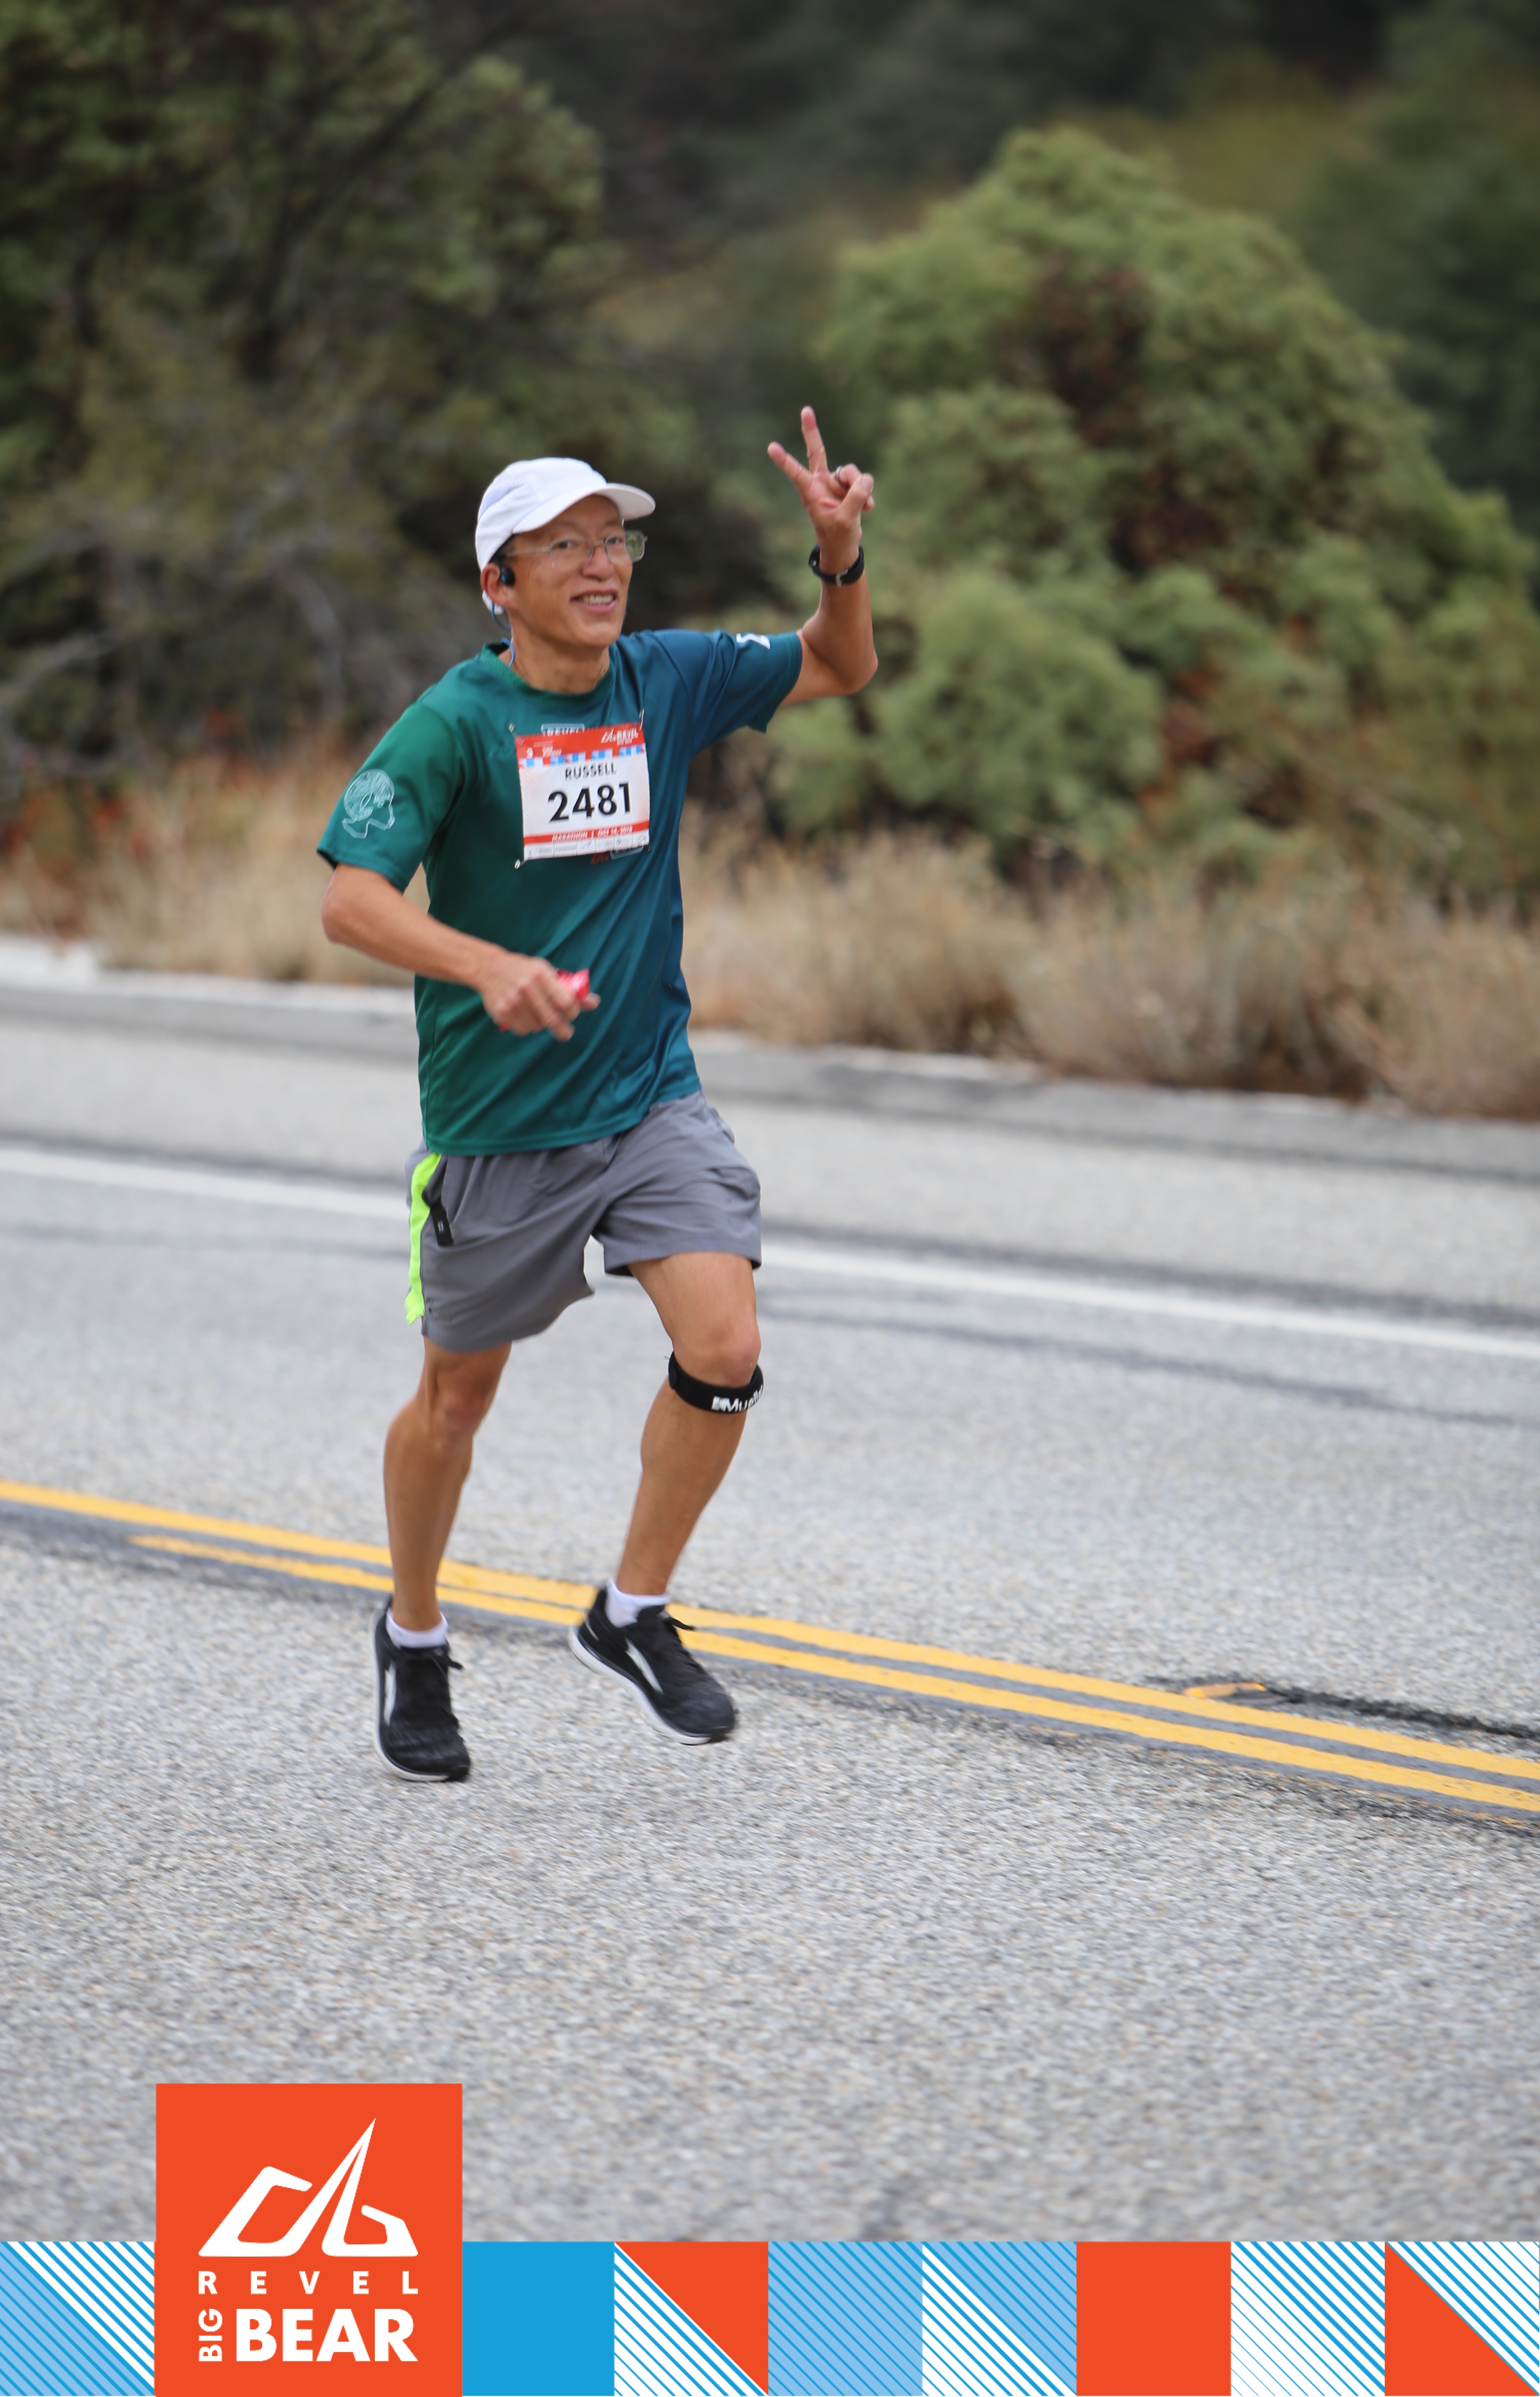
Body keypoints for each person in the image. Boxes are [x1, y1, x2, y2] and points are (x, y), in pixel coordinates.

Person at [317, 409, 876, 1781]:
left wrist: (839, 559)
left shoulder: (666, 678)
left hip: (648, 1099)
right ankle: (412, 1631)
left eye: (612, 540)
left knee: (726, 1346)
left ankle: (630, 1611)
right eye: (562, 545)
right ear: (498, 582)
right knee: (455, 1402)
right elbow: (349, 901)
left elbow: (837, 665)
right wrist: (487, 966)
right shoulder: (455, 723)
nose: (600, 563)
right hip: (500, 1124)